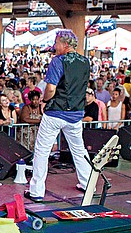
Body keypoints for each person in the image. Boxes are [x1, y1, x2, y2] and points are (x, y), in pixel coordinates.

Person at [26, 29, 91, 201]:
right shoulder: (85, 62)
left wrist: (44, 100)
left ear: (65, 44)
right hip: (76, 113)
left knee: (42, 151)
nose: (55, 47)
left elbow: (51, 88)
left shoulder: (58, 61)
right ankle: (87, 184)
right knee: (79, 150)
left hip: (56, 112)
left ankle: (36, 191)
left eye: (56, 43)